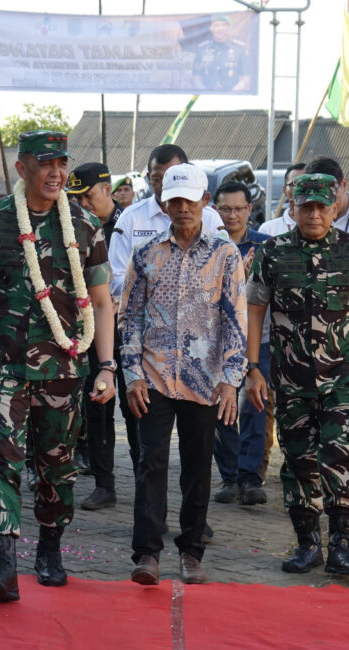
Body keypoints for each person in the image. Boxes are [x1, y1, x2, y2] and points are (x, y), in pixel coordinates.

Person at [0, 130, 116, 602]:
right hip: (2, 365)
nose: (56, 173)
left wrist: (106, 365)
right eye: (45, 163)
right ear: (21, 167)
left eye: (61, 164)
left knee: (56, 466)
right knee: (1, 461)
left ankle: (50, 548)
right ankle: (3, 565)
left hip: (63, 368)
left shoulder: (85, 226)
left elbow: (104, 303)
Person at [245, 173, 349, 577]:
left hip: (345, 378)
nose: (314, 214)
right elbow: (256, 310)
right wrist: (252, 368)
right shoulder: (273, 252)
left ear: (335, 208)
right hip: (291, 379)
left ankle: (342, 548)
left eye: (322, 206)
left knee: (342, 455)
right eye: (306, 206)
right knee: (297, 460)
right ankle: (306, 545)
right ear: (292, 208)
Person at [121, 164, 246, 586]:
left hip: (204, 379)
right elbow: (130, 317)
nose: (182, 207)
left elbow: (236, 321)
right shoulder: (147, 253)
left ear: (204, 202)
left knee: (197, 466)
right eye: (174, 200)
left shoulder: (226, 255)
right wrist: (132, 373)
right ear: (163, 204)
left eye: (190, 200)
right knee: (150, 462)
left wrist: (231, 379)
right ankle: (147, 554)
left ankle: (191, 551)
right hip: (153, 376)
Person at [66, 161, 135, 511]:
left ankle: (145, 482)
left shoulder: (132, 222)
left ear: (107, 190)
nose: (83, 203)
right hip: (92, 326)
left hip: (134, 329)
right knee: (98, 405)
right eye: (75, 197)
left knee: (136, 408)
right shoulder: (74, 226)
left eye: (88, 195)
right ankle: (104, 483)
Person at [210, 181, 269, 506]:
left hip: (258, 341)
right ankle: (229, 477)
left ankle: (250, 477)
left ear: (250, 209)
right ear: (216, 210)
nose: (233, 215)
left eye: (239, 208)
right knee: (222, 410)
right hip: (217, 343)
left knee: (255, 408)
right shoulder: (210, 247)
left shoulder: (264, 246)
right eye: (226, 209)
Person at [108, 144, 224, 302]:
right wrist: (154, 288)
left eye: (172, 176)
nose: (165, 185)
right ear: (149, 178)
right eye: (158, 179)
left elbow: (224, 278)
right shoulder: (130, 219)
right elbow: (116, 279)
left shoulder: (210, 218)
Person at [193, 14, 251, 92]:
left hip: (232, 97)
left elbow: (245, 79)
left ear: (229, 28)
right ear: (211, 28)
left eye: (224, 25)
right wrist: (205, 94)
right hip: (206, 97)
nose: (220, 29)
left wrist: (231, 94)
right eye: (216, 25)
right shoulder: (202, 49)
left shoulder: (239, 49)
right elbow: (196, 78)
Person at [259, 163, 305, 237]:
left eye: (305, 185)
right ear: (284, 190)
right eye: (294, 185)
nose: (300, 190)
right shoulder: (268, 230)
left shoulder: (324, 227)